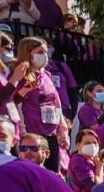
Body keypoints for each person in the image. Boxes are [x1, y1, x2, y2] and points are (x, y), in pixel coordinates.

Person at [13, 37, 67, 169]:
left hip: (51, 133)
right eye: (40, 52)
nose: (44, 56)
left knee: (54, 172)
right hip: (33, 133)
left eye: (45, 52)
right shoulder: (19, 76)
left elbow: (56, 101)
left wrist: (63, 129)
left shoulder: (46, 75)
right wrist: (22, 131)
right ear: (28, 53)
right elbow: (16, 105)